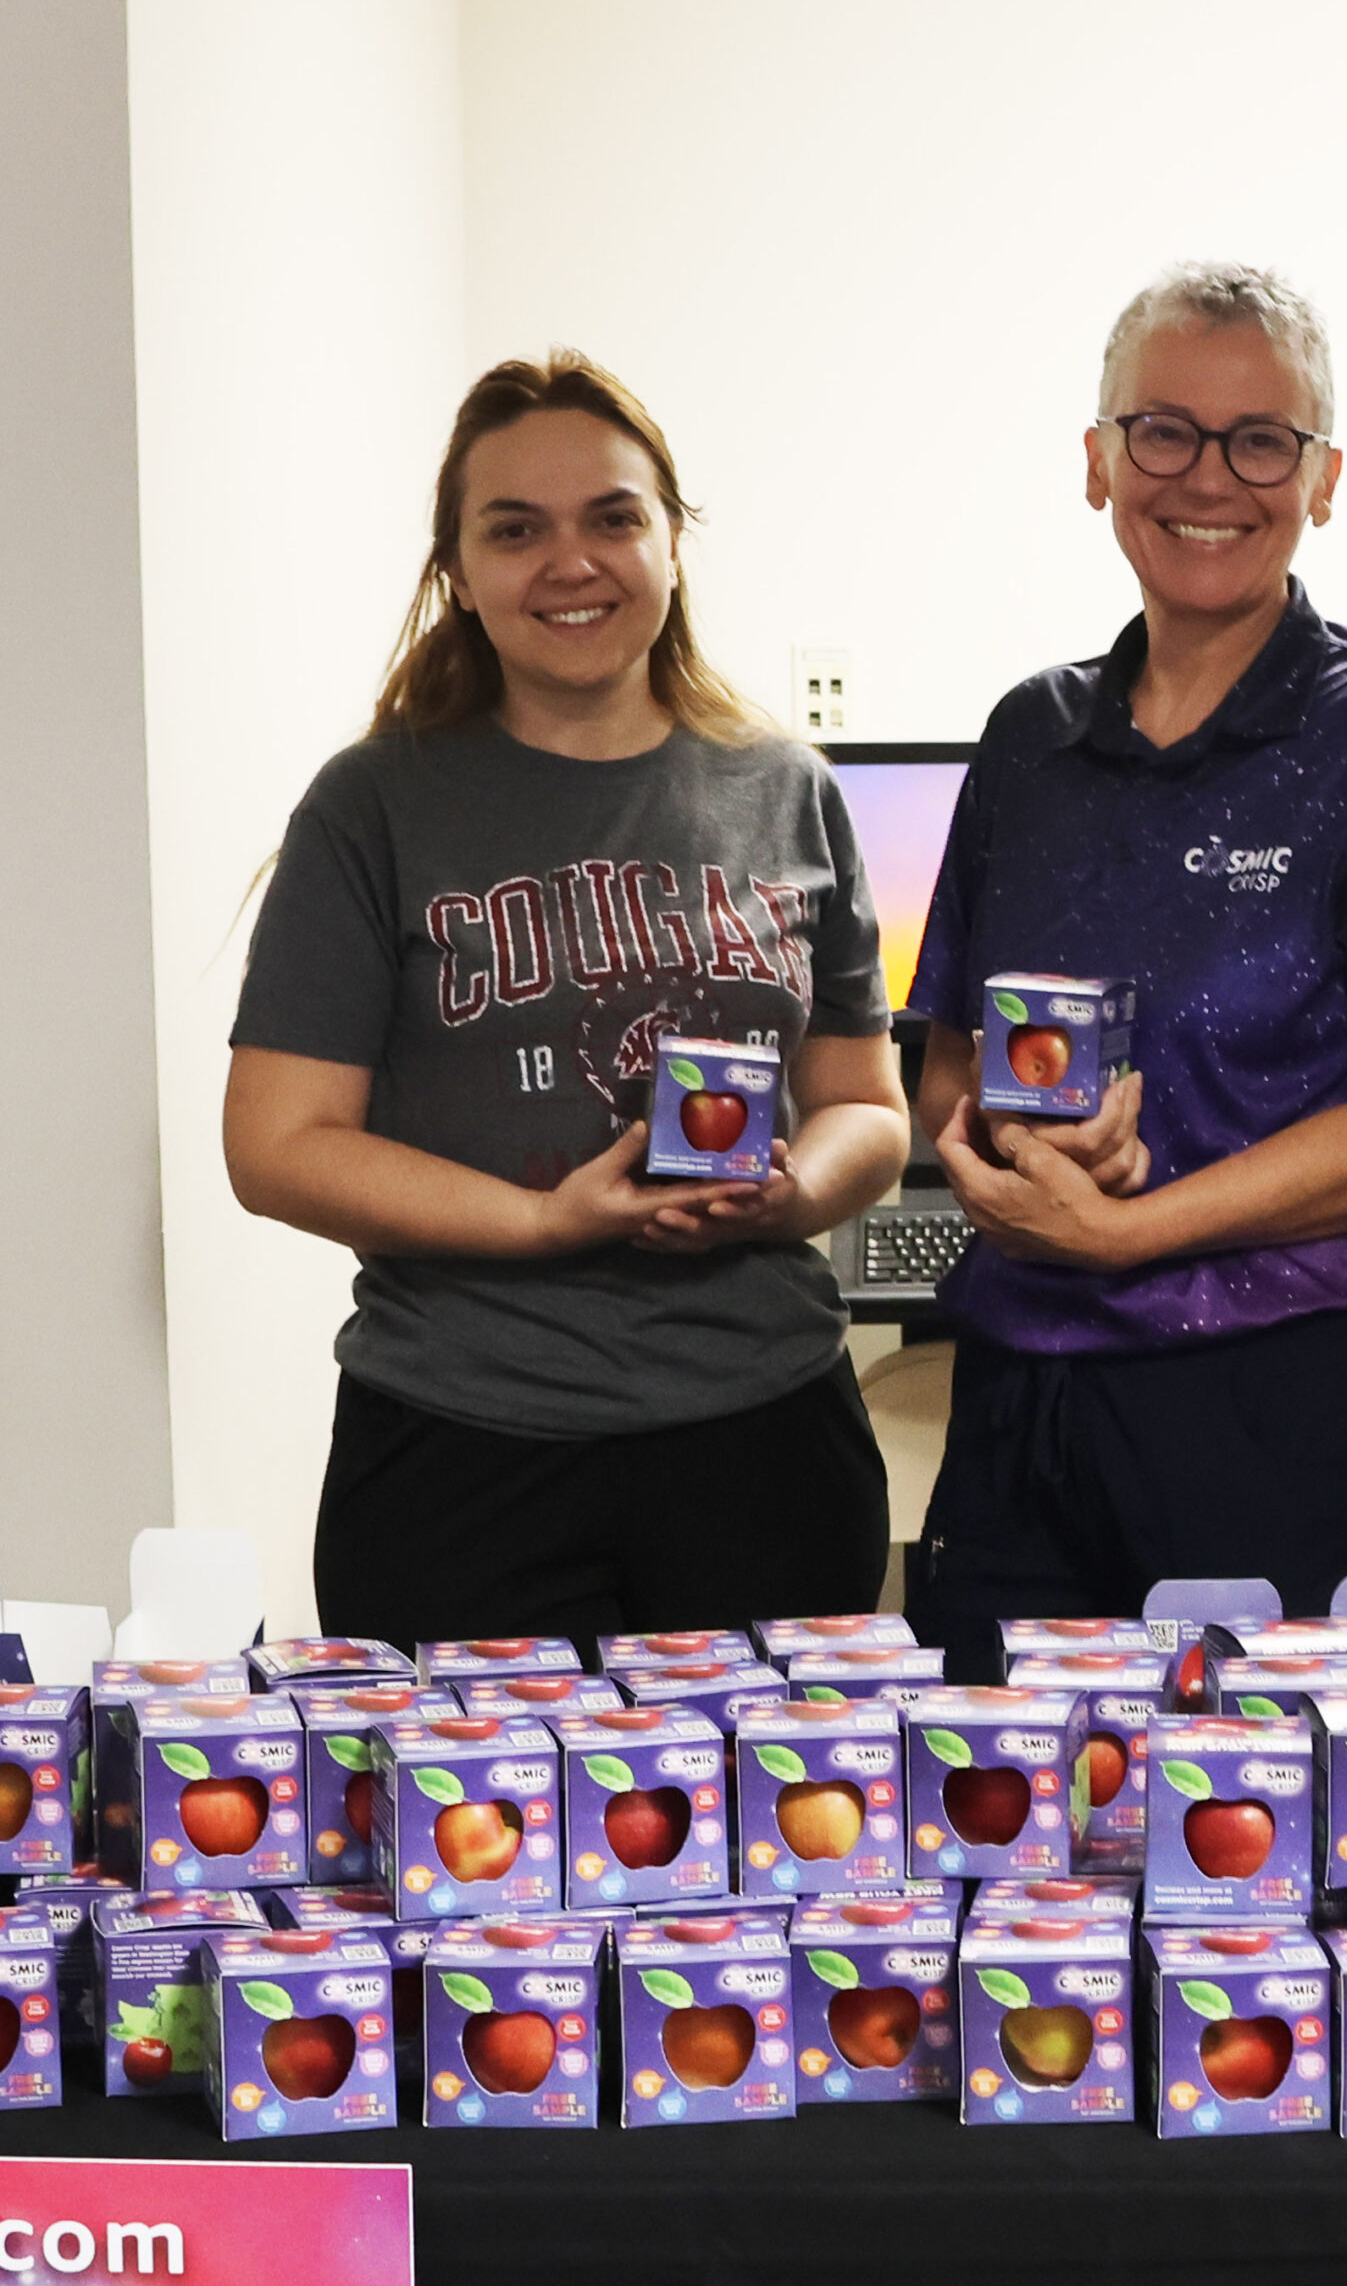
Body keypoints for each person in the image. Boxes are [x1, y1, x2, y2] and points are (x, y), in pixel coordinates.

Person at [227, 353, 910, 1652]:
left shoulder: (787, 789)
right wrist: (545, 1223)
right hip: (460, 1457)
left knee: (773, 1795)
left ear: (671, 543)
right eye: (515, 529)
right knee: (476, 1801)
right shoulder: (371, 807)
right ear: (457, 568)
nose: (570, 562)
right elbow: (276, 1146)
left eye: (612, 517)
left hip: (766, 1438)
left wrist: (794, 1194)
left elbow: (867, 1109)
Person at [904, 263, 1347, 1678]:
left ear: (1323, 480)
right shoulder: (1030, 739)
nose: (1208, 479)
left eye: (1261, 442)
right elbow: (944, 1058)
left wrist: (1132, 1230)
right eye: (1164, 431)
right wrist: (1014, 1156)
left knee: (1302, 1813)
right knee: (1001, 1804)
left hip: (1285, 1417)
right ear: (1098, 458)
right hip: (1023, 1411)